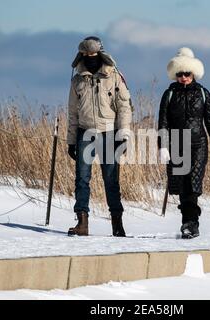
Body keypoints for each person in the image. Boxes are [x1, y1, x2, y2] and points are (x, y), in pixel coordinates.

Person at [66, 36, 132, 237]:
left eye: (94, 55)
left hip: (109, 132)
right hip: (84, 132)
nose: (90, 58)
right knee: (82, 179)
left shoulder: (113, 76)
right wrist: (71, 141)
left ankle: (117, 225)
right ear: (82, 55)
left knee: (111, 180)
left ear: (101, 54)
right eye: (87, 55)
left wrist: (123, 135)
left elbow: (124, 107)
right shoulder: (77, 79)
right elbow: (72, 112)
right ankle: (82, 223)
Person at [158, 47, 210, 239]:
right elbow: (163, 122)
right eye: (180, 74)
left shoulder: (203, 93)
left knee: (193, 184)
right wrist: (162, 146)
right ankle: (188, 222)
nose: (183, 77)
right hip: (177, 144)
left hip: (198, 145)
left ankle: (191, 224)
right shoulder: (168, 94)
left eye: (187, 73)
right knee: (182, 186)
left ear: (193, 73)